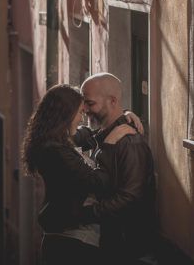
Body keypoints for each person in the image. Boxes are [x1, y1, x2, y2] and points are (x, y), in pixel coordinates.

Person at [21, 84, 110, 265]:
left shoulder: (53, 140)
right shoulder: (56, 151)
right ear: (65, 116)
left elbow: (87, 135)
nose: (81, 119)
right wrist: (113, 143)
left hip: (65, 237)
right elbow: (97, 182)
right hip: (70, 244)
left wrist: (122, 118)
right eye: (79, 113)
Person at [76, 72, 157, 264]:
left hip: (126, 245)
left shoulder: (130, 143)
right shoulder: (104, 133)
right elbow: (72, 136)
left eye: (90, 103)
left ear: (112, 100)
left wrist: (85, 214)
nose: (85, 110)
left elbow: (130, 197)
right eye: (83, 104)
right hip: (110, 239)